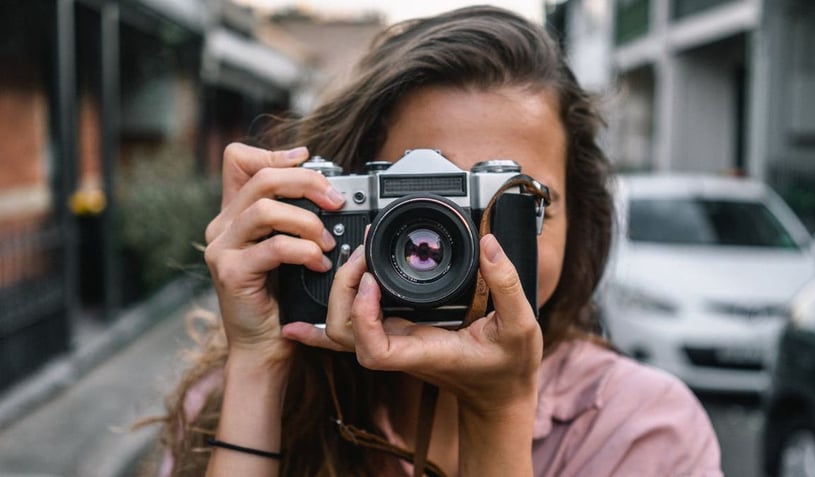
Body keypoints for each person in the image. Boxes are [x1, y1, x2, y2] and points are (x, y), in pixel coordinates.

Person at [153, 5, 722, 476]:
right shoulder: (229, 399)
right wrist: (259, 364)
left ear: (582, 225)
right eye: (420, 205)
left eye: (517, 204)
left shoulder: (643, 433)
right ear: (340, 206)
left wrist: (497, 412)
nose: (461, 245)